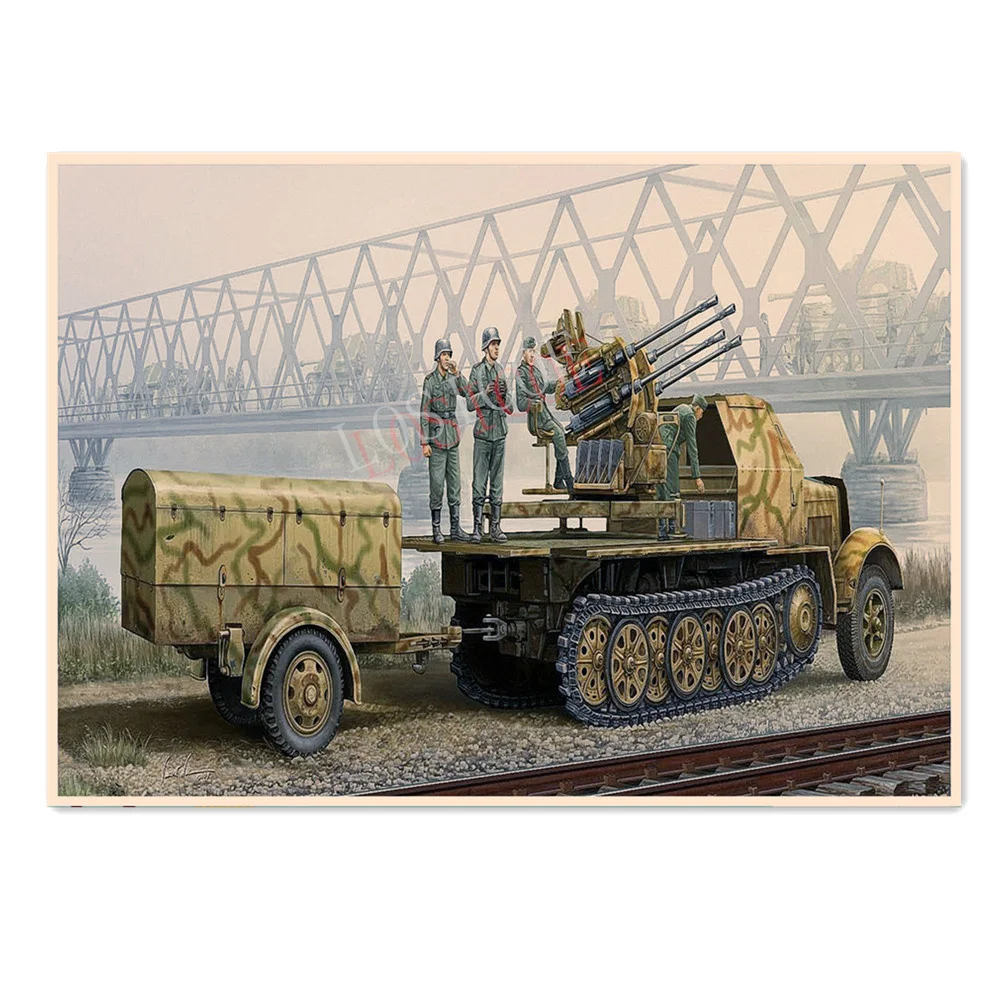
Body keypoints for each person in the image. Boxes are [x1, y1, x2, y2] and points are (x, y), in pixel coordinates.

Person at [419, 338, 472, 543]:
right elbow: (425, 411)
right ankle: (436, 529)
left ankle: (455, 529)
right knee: (436, 485)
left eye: (449, 354)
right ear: (437, 358)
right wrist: (425, 442)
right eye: (444, 355)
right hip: (437, 438)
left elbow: (467, 393)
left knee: (455, 484)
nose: (447, 358)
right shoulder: (430, 381)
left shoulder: (453, 377)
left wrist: (458, 373)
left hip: (452, 437)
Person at [467, 327, 512, 542]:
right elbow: (469, 403)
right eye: (494, 344)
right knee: (479, 482)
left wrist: (503, 396)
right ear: (485, 347)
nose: (497, 348)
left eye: (498, 344)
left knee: (497, 483)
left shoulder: (501, 370)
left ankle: (495, 528)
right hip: (483, 434)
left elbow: (510, 406)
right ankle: (477, 529)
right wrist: (485, 394)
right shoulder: (476, 371)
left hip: (500, 433)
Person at [515, 336, 573, 491]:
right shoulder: (520, 373)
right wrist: (534, 404)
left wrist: (560, 382)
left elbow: (545, 387)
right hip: (536, 419)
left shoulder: (535, 371)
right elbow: (520, 403)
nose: (532, 355)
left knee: (562, 433)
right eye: (529, 351)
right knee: (558, 435)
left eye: (534, 351)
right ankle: (568, 479)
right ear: (523, 353)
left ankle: (558, 480)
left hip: (545, 415)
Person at [656, 393, 708, 540]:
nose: (701, 416)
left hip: (659, 447)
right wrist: (697, 477)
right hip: (670, 450)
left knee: (661, 488)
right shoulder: (690, 416)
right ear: (698, 409)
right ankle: (673, 529)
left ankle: (662, 530)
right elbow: (692, 446)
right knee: (673, 489)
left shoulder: (681, 407)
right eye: (702, 412)